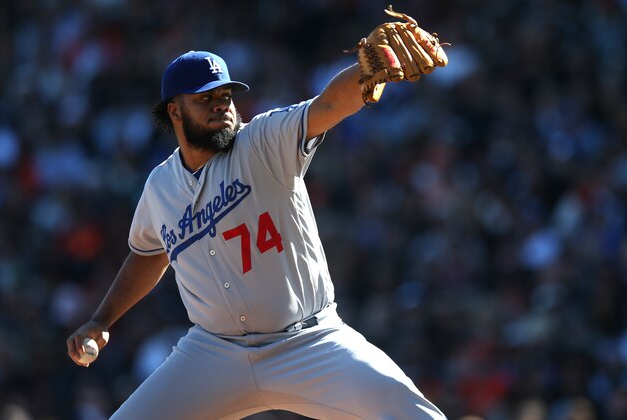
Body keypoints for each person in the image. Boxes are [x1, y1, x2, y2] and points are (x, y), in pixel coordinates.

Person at [66, 48, 447, 419]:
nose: (221, 105)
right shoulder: (160, 186)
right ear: (175, 110)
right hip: (215, 352)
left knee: (411, 413)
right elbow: (149, 253)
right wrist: (100, 320)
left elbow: (328, 105)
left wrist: (365, 74)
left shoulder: (264, 140)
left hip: (308, 342)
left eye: (226, 95)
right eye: (206, 98)